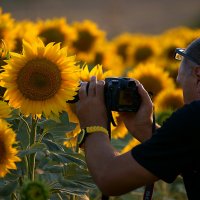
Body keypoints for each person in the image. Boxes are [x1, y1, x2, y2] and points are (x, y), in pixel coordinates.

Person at [76, 38, 200, 200]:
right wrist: (147, 129)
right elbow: (190, 154)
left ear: (198, 75)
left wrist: (93, 126)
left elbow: (109, 177)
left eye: (181, 84)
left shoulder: (194, 116)